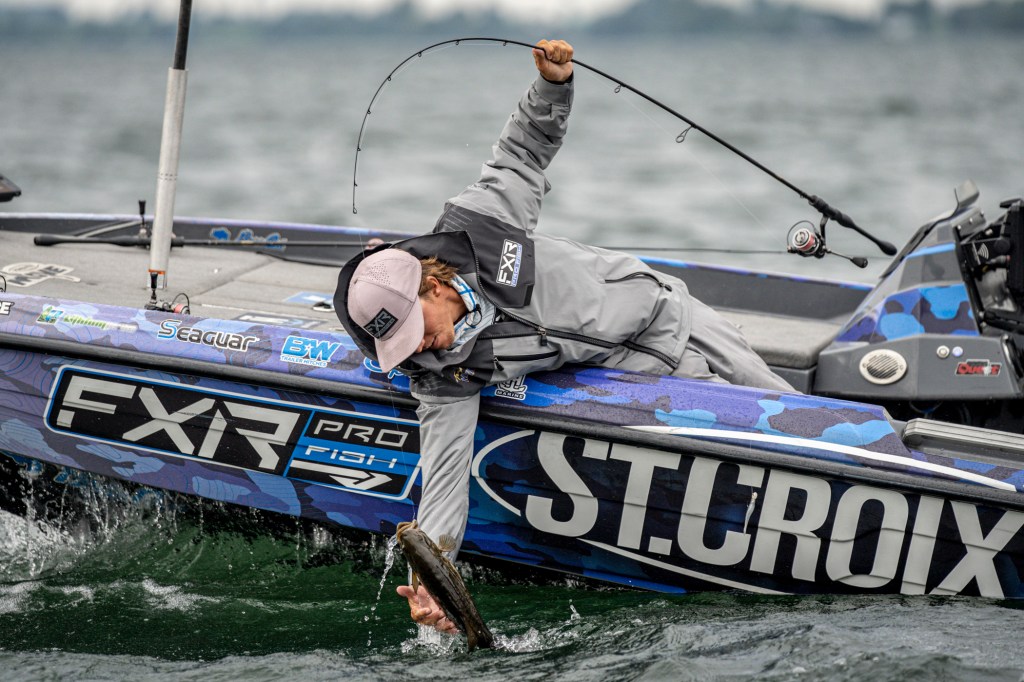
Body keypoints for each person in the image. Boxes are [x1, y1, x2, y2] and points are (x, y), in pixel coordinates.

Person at [334, 39, 793, 634]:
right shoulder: (442, 377)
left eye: (414, 331)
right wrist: (432, 584)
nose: (416, 349)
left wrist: (552, 86)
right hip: (631, 373)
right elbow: (444, 480)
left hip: (671, 310)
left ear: (433, 285)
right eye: (399, 347)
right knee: (750, 431)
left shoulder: (479, 223)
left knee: (795, 411)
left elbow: (522, 152)